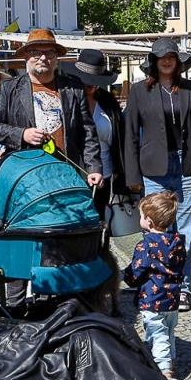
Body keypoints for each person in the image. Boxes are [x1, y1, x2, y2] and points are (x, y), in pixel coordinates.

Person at [123, 38, 191, 309]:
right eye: (161, 57)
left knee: (187, 228)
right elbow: (130, 134)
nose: (167, 61)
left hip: (186, 164)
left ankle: (184, 288)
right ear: (154, 62)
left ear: (178, 61)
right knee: (156, 227)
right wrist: (132, 176)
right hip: (154, 167)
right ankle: (157, 283)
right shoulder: (139, 91)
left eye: (171, 56)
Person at [0, 28, 103, 184]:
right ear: (26, 56)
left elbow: (88, 132)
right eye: (36, 53)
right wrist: (22, 134)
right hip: (25, 175)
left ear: (56, 57)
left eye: (49, 53)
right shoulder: (9, 88)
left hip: (65, 174)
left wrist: (93, 168)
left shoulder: (73, 88)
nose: (43, 58)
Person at [69, 49, 132, 263]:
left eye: (96, 82)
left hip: (105, 176)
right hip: (77, 173)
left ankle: (100, 266)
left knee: (100, 224)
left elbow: (119, 137)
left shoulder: (107, 101)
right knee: (79, 225)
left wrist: (121, 172)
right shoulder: (68, 99)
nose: (92, 86)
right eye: (88, 81)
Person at [125, 192, 186, 380]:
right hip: (173, 297)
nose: (140, 219)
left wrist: (127, 278)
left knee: (157, 333)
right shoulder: (177, 242)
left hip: (152, 298)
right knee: (169, 331)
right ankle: (171, 360)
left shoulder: (146, 245)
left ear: (149, 221)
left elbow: (137, 271)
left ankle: (163, 368)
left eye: (141, 216)